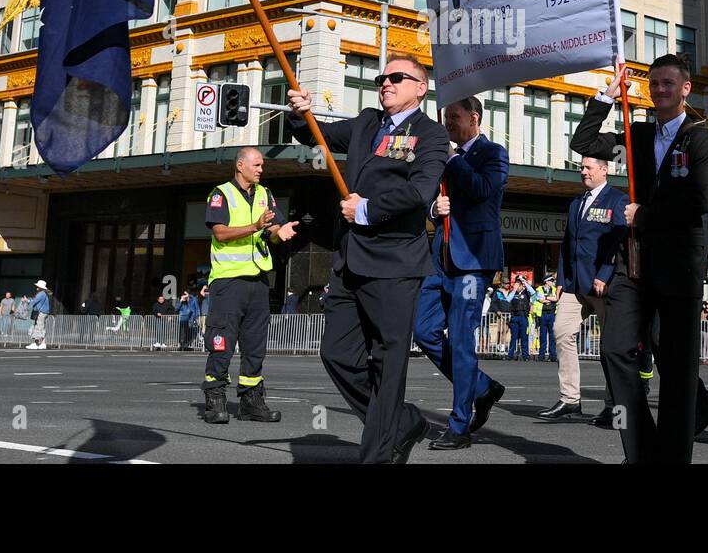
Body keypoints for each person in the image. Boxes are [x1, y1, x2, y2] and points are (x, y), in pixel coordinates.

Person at [287, 55, 450, 463]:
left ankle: (378, 453)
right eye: (383, 78)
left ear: (420, 87)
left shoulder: (430, 135)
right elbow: (317, 136)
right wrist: (298, 113)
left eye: (397, 77)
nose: (386, 83)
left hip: (395, 263)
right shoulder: (365, 123)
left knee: (387, 360)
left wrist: (365, 209)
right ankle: (401, 421)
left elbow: (421, 191)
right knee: (336, 354)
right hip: (349, 262)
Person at [570, 54, 708, 464]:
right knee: (617, 350)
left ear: (685, 88)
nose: (660, 91)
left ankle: (672, 456)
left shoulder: (701, 138)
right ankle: (642, 450)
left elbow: (698, 202)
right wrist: (605, 93)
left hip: (678, 266)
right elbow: (582, 144)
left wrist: (647, 215)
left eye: (668, 84)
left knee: (675, 370)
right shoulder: (636, 135)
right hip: (634, 264)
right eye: (654, 84)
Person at [413, 95, 509, 450]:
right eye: (446, 117)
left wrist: (453, 159)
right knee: (423, 330)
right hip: (440, 259)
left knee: (463, 339)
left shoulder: (493, 152)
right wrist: (433, 209)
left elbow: (484, 189)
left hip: (472, 261)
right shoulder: (443, 157)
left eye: (453, 117)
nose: (448, 123)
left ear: (474, 117)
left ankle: (458, 426)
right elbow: (426, 195)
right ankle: (483, 388)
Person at [200, 147, 299, 424]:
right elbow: (220, 232)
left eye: (262, 165)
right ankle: (215, 397)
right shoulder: (221, 194)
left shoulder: (265, 194)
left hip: (258, 281)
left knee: (255, 344)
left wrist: (281, 232)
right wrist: (256, 226)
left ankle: (251, 401)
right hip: (229, 280)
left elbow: (272, 231)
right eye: (256, 165)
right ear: (240, 165)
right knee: (222, 341)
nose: (260, 169)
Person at [539, 155, 624, 423]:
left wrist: (604, 275)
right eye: (581, 168)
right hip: (575, 285)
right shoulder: (576, 203)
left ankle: (614, 405)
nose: (583, 172)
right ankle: (569, 399)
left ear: (604, 169)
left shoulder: (616, 200)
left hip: (602, 286)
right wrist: (562, 280)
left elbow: (619, 242)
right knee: (561, 332)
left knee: (610, 346)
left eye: (588, 167)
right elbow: (567, 244)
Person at [503, 276, 535, 360]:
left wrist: (525, 283)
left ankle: (525, 356)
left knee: (524, 337)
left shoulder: (527, 293)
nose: (516, 286)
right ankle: (510, 355)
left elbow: (534, 293)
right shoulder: (512, 293)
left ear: (522, 285)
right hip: (514, 317)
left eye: (518, 285)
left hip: (523, 317)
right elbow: (508, 299)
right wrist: (514, 290)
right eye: (516, 284)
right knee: (513, 337)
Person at [536, 275, 560, 362]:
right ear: (546, 281)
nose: (553, 283)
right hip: (543, 314)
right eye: (551, 281)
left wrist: (546, 298)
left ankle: (552, 355)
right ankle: (541, 355)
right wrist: (549, 299)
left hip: (552, 314)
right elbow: (540, 299)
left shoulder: (554, 289)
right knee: (542, 336)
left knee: (552, 336)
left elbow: (556, 298)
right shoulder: (539, 289)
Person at [26, 279, 52, 350]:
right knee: (41, 327)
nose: (36, 287)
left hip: (41, 312)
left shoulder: (41, 294)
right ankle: (43, 343)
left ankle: (36, 343)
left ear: (40, 287)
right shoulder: (45, 293)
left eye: (37, 286)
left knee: (38, 327)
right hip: (44, 312)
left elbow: (34, 301)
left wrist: (27, 301)